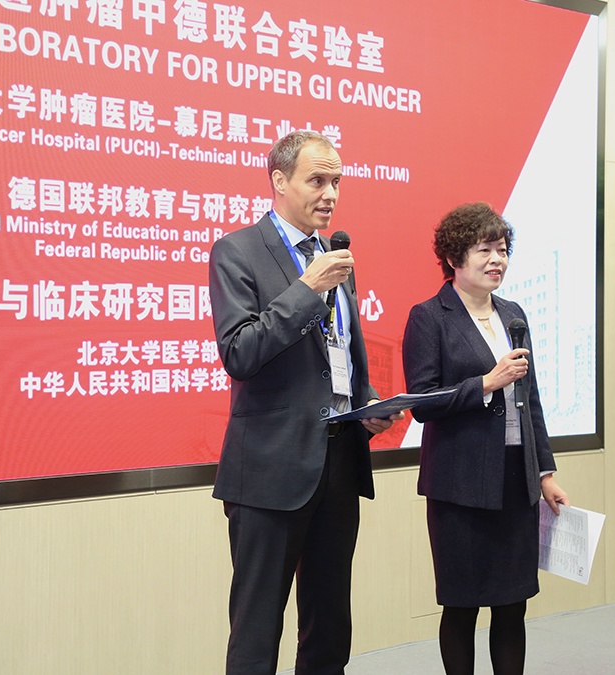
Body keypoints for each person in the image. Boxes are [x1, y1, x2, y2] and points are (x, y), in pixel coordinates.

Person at [208, 130, 401, 675]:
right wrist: (305, 288)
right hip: (270, 469)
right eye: (317, 180)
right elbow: (240, 352)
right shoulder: (238, 251)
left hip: (338, 461)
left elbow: (336, 357)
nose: (331, 193)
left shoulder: (335, 258)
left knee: (329, 623)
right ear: (279, 181)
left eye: (336, 181)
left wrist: (366, 404)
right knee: (257, 626)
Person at [401, 202, 569, 675]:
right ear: (455, 257)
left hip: (516, 481)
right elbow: (422, 403)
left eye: (503, 250)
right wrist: (486, 383)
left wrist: (546, 472)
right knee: (462, 605)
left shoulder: (513, 314)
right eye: (485, 250)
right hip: (460, 486)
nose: (497, 260)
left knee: (513, 603)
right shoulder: (429, 317)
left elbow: (530, 400)